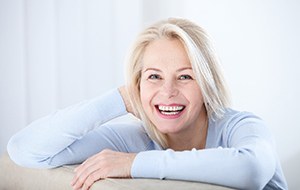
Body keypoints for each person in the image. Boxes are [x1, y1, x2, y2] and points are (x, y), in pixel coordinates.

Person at [7, 18, 288, 190]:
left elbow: (250, 171)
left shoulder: (241, 126)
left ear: (207, 84)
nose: (167, 91)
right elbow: (25, 150)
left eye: (185, 76)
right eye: (154, 76)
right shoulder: (135, 137)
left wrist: (133, 164)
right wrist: (118, 99)